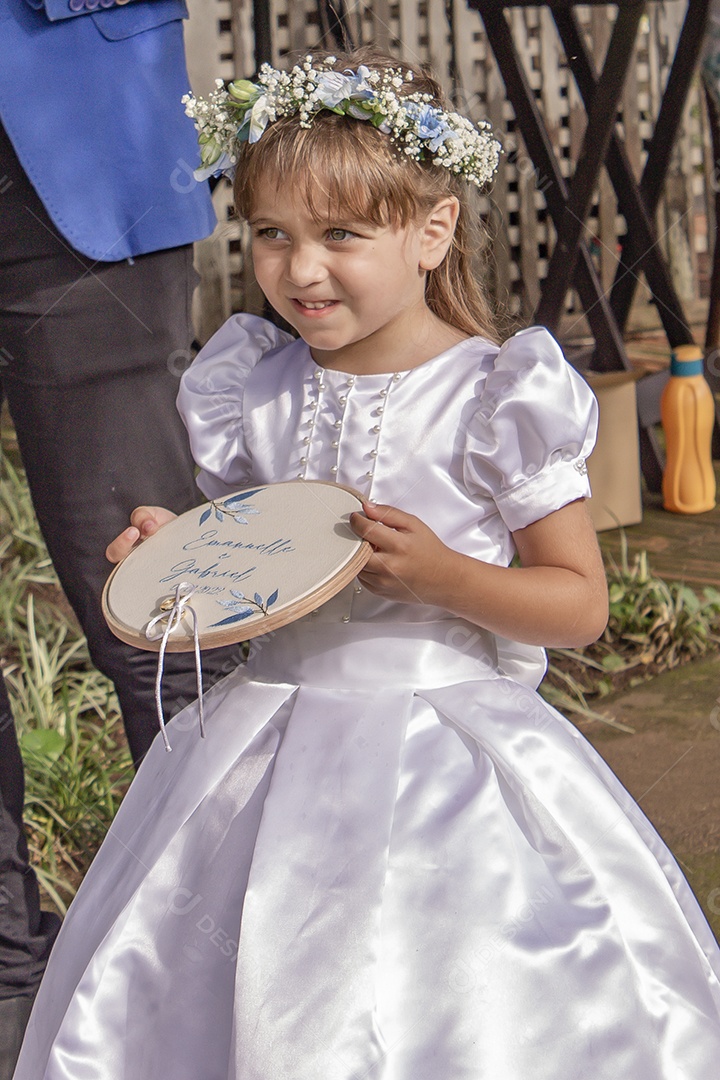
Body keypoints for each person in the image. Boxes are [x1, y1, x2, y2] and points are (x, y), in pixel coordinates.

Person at [13, 48, 720, 1079]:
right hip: (267, 741)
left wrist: (446, 579)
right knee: (251, 979)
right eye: (271, 236)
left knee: (435, 991)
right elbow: (260, 558)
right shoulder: (253, 387)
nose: (301, 270)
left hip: (447, 758)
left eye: (341, 235)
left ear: (433, 231)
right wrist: (180, 556)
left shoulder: (493, 394)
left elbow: (577, 607)